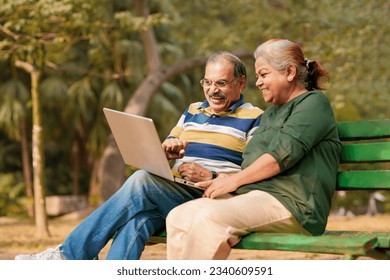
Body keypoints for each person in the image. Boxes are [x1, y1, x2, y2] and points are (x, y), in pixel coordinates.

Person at [15, 51, 263, 260]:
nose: (212, 90)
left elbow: (254, 172)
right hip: (176, 190)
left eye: (220, 83)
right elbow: (168, 142)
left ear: (240, 83)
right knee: (138, 221)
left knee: (142, 179)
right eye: (207, 83)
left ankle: (68, 256)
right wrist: (168, 149)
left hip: (210, 197)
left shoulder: (254, 118)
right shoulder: (192, 111)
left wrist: (212, 175)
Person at [166, 39, 342, 260]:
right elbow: (252, 166)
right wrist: (220, 178)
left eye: (263, 74)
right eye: (257, 76)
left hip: (295, 205)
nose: (258, 82)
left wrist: (233, 181)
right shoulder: (269, 114)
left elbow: (281, 156)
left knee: (210, 219)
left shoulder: (313, 103)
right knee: (180, 216)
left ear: (289, 72)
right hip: (256, 197)